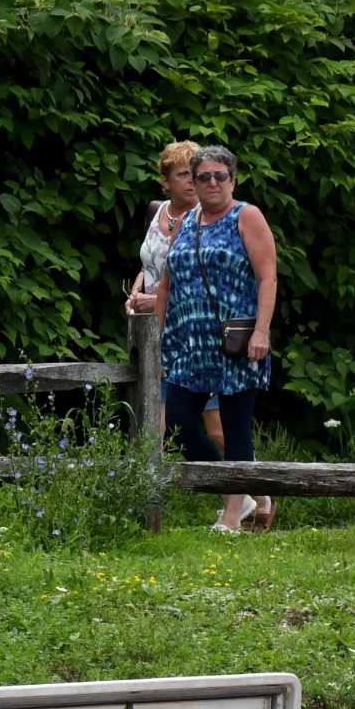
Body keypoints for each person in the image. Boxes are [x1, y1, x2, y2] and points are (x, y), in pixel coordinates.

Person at [150, 145, 279, 533]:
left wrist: (261, 331)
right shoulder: (186, 221)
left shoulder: (246, 217)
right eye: (203, 176)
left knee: (236, 428)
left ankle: (231, 518)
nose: (211, 183)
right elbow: (167, 282)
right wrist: (161, 334)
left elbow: (267, 278)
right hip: (188, 345)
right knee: (178, 426)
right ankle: (237, 495)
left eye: (219, 176)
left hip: (234, 342)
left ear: (232, 180)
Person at [125, 140, 236, 479]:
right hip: (154, 332)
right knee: (157, 424)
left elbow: (201, 278)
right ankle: (151, 498)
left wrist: (156, 299)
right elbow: (150, 262)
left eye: (195, 174)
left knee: (216, 428)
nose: (192, 181)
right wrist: (136, 292)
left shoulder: (207, 219)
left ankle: (255, 490)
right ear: (166, 181)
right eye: (184, 175)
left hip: (194, 333)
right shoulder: (157, 212)